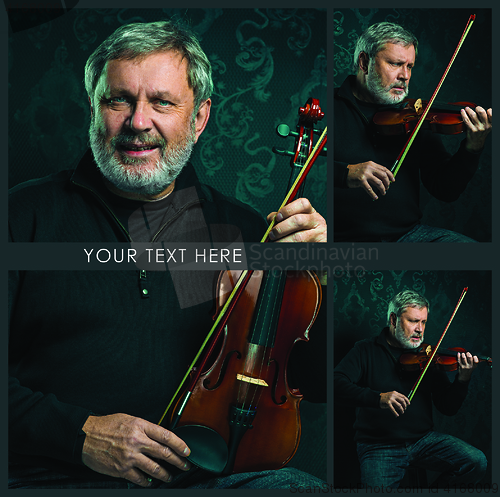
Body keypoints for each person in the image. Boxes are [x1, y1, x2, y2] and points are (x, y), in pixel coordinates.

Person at [8, 20, 327, 489]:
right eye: (119, 99)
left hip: (199, 480)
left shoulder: (246, 234)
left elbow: (310, 383)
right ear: (94, 109)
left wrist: (318, 277)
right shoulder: (22, 215)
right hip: (52, 476)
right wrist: (80, 435)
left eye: (162, 102)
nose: (138, 123)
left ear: (199, 118)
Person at [334, 22, 492, 242]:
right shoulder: (329, 107)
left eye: (410, 66)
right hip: (339, 238)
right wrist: (346, 173)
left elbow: (445, 189)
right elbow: (308, 167)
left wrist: (473, 147)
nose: (405, 75)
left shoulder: (414, 116)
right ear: (364, 62)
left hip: (407, 237)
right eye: (395, 64)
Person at [334, 290, 487, 489]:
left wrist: (462, 379)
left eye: (423, 322)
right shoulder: (365, 350)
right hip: (379, 445)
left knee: (476, 461)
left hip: (423, 441)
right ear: (393, 319)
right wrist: (378, 398)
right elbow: (336, 383)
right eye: (413, 321)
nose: (420, 330)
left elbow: (447, 407)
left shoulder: (427, 356)